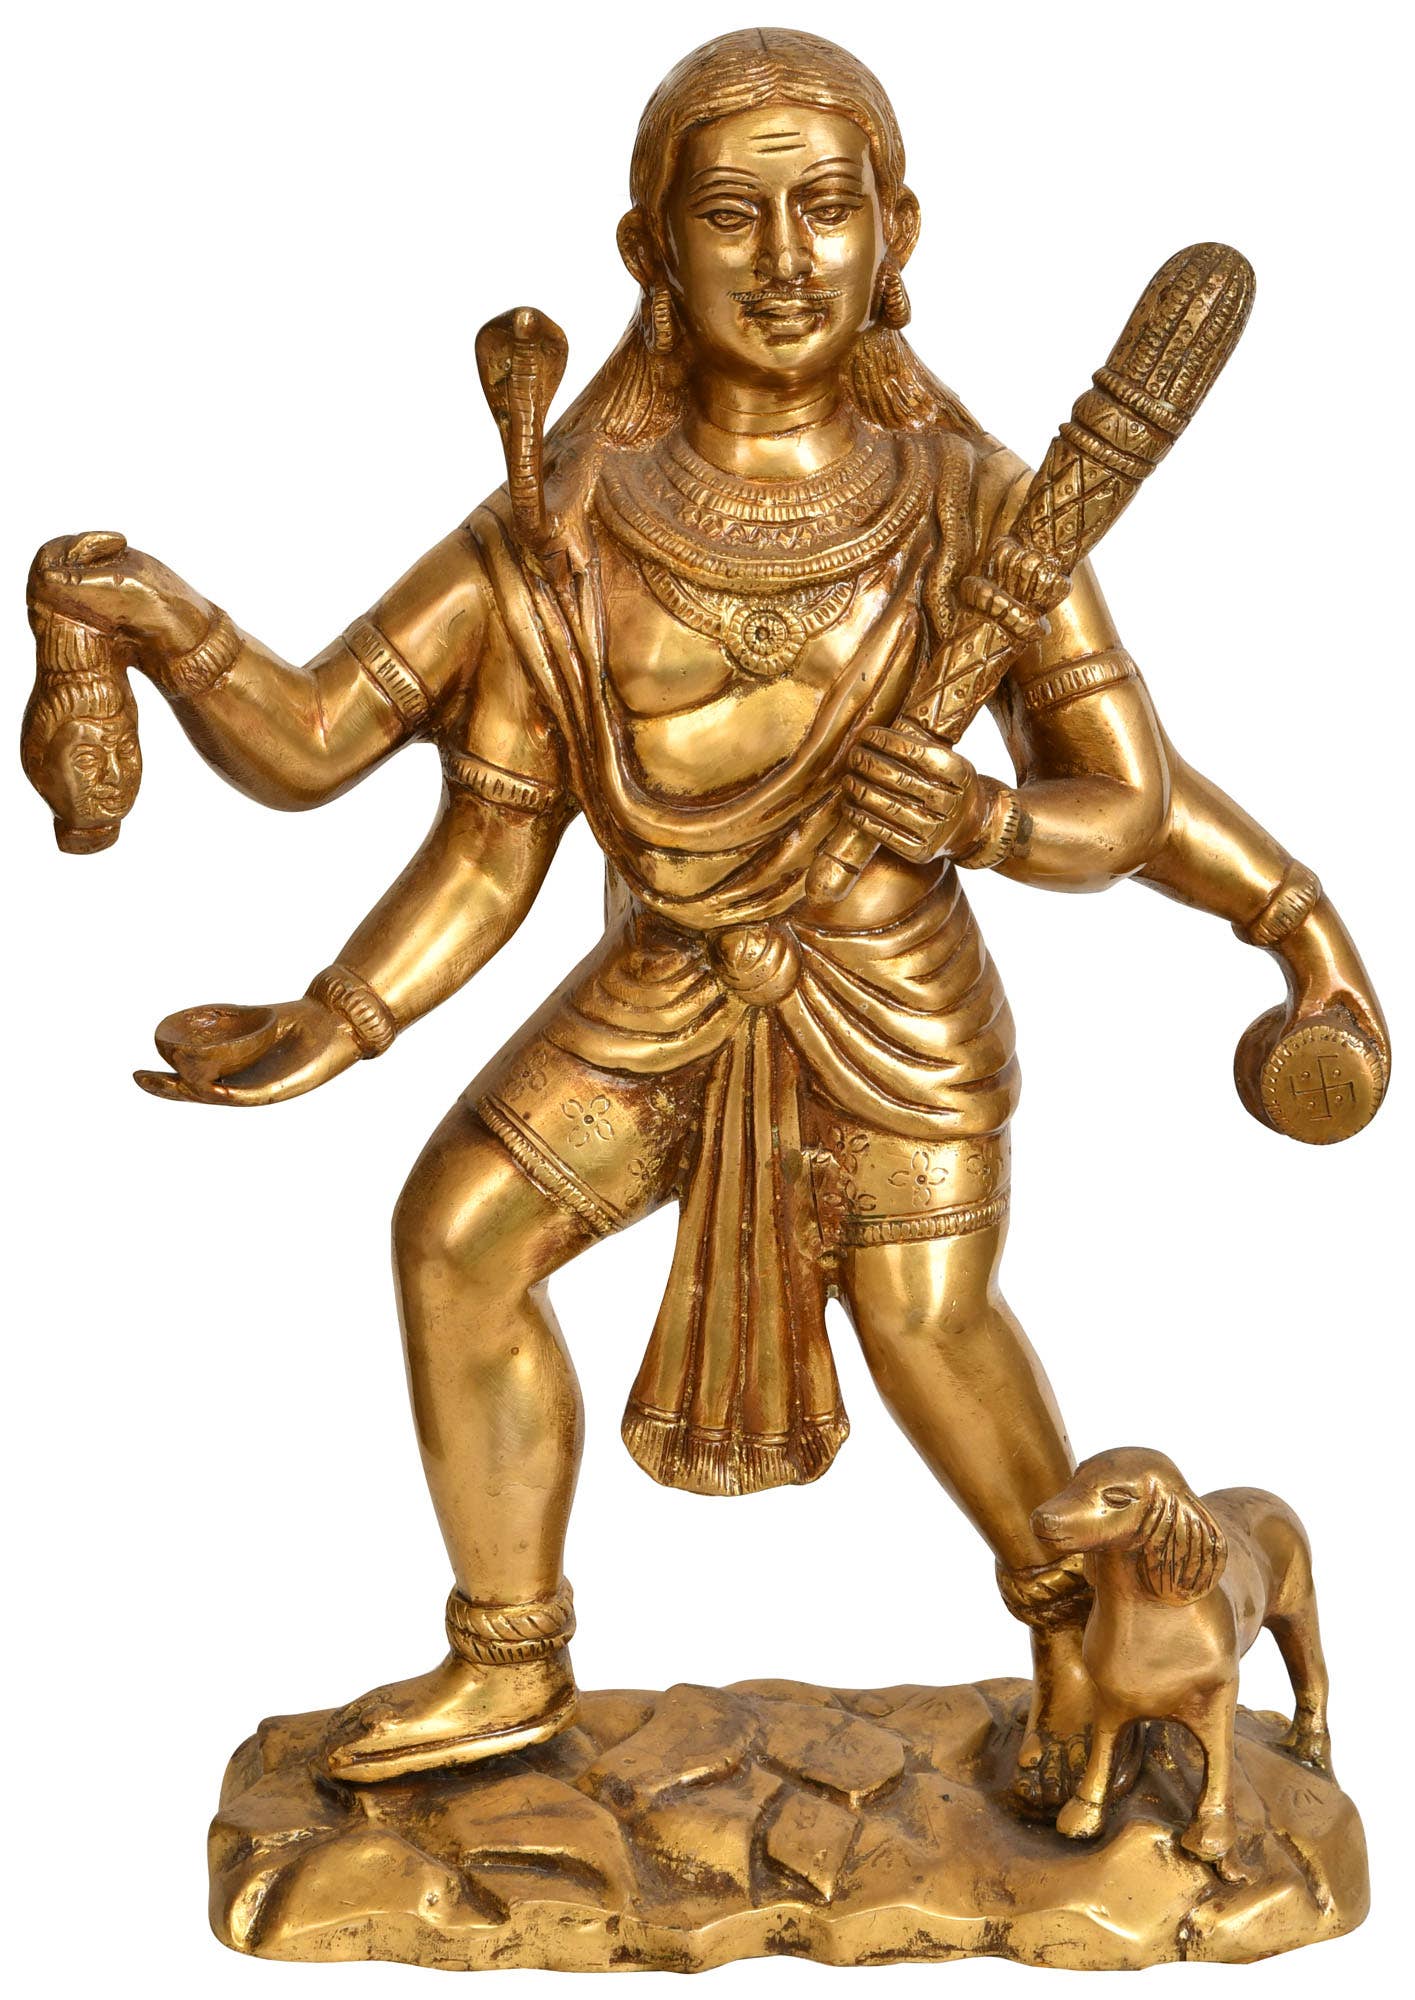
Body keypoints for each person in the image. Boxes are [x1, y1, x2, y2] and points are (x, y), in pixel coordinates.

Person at [27, 27, 1386, 1811]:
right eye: (732, 214)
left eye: (828, 208)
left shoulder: (976, 508)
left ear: (899, 232)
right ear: (648, 249)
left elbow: (1125, 797)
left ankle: (1094, 1639)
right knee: (456, 1239)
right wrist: (154, 649)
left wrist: (1001, 823)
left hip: (892, 1003)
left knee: (931, 1327)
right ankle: (507, 1657)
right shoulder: (562, 529)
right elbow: (397, 794)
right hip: (666, 990)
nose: (787, 256)